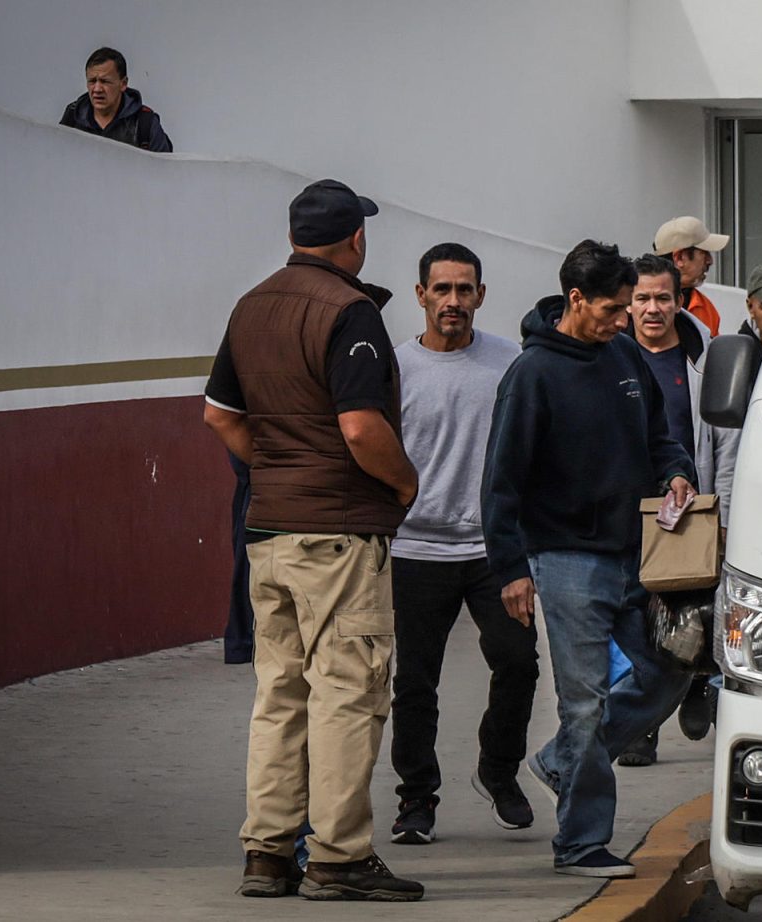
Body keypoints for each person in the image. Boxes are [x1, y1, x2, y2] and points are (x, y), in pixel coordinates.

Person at [203, 178, 424, 902]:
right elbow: (361, 428)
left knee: (279, 694)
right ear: (354, 239)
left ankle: (267, 853)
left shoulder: (251, 305)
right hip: (337, 534)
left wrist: (273, 469)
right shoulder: (350, 310)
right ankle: (339, 856)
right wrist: (402, 484)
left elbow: (220, 416)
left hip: (268, 531)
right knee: (347, 694)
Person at [481, 239, 697, 878]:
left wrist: (678, 471)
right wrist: (511, 570)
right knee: (585, 701)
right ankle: (579, 844)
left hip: (638, 555)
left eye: (628, 307)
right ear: (574, 300)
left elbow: (662, 436)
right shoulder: (531, 375)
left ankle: (562, 762)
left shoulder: (625, 355)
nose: (623, 319)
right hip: (567, 562)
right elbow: (501, 483)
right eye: (612, 309)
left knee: (670, 671)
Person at [388, 243, 538, 844]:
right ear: (421, 294)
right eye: (442, 289)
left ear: (481, 295)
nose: (454, 300)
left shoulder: (511, 363)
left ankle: (498, 772)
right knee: (415, 684)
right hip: (413, 551)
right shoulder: (393, 369)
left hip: (493, 552)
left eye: (465, 289)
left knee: (519, 664)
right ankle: (416, 800)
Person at [615, 255, 740, 766]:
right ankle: (639, 727)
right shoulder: (611, 359)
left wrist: (725, 518)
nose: (652, 308)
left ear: (679, 301)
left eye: (662, 298)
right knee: (630, 631)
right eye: (641, 298)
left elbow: (727, 448)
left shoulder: (704, 363)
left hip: (688, 514)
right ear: (627, 304)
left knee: (690, 619)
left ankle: (695, 686)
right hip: (622, 518)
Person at [59, 47, 172, 152]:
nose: (97, 89)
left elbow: (165, 171)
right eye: (92, 81)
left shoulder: (145, 123)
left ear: (123, 84)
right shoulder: (72, 118)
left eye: (105, 81)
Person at [654, 216, 728, 336]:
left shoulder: (707, 309)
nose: (710, 261)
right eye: (704, 253)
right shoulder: (634, 306)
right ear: (679, 258)